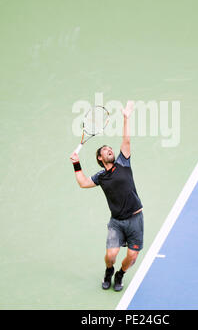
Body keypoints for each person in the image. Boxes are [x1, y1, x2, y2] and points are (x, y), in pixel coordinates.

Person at [70, 101, 143, 291]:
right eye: (105, 150)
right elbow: (83, 182)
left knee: (133, 257)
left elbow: (126, 140)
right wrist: (76, 164)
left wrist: (126, 117)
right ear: (100, 159)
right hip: (117, 222)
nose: (109, 150)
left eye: (110, 148)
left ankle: (120, 274)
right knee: (111, 255)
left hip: (135, 218)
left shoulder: (123, 162)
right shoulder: (101, 177)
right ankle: (109, 270)